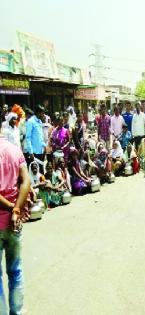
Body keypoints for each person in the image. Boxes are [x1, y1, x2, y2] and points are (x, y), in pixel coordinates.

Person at [0, 120, 31, 315]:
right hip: (14, 223)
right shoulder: (14, 150)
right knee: (16, 270)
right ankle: (16, 312)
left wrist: (13, 208)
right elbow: (26, 181)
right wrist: (16, 210)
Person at [26, 105, 47, 172]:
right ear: (39, 113)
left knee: (41, 172)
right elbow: (28, 138)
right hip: (34, 153)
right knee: (35, 173)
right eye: (43, 113)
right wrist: (31, 152)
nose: (44, 115)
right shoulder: (30, 122)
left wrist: (45, 146)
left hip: (41, 152)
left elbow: (40, 137)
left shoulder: (40, 122)